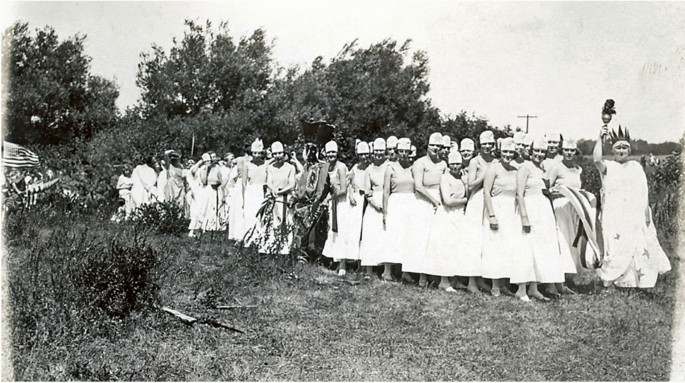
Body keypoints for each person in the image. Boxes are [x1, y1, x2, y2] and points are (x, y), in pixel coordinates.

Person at [593, 125, 671, 289]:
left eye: (624, 148)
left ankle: (632, 280)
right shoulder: (609, 166)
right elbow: (596, 160)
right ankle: (610, 278)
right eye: (618, 148)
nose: (621, 151)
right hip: (614, 212)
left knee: (636, 244)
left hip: (634, 213)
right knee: (614, 244)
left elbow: (644, 191)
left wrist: (646, 213)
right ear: (613, 151)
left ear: (629, 150)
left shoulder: (636, 167)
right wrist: (600, 138)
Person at [513, 137, 571, 302]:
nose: (539, 154)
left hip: (543, 211)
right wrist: (524, 217)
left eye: (542, 152)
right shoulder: (525, 167)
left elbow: (543, 191)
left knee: (539, 249)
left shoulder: (543, 169)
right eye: (536, 151)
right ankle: (521, 289)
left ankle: (534, 288)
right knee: (526, 249)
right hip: (530, 211)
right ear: (530, 152)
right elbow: (519, 193)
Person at [547, 138, 593, 296]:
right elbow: (547, 189)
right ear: (561, 151)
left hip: (573, 209)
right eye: (566, 149)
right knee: (561, 241)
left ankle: (563, 282)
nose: (568, 153)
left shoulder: (577, 169)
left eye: (571, 150)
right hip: (559, 207)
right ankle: (553, 284)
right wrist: (556, 191)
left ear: (575, 152)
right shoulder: (556, 167)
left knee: (571, 242)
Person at [425, 150, 475, 292]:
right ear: (448, 164)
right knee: (445, 247)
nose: (455, 167)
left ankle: (455, 279)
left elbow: (469, 193)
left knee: (457, 247)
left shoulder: (463, 177)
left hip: (460, 215)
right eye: (452, 164)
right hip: (447, 215)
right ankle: (444, 281)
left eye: (458, 164)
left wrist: (465, 184)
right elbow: (448, 201)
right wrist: (466, 201)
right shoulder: (444, 178)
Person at [406, 133, 447, 287]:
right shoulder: (419, 163)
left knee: (436, 239)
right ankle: (422, 276)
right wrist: (434, 201)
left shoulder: (443, 163)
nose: (436, 148)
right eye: (433, 145)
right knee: (423, 238)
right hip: (424, 201)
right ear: (427, 146)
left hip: (440, 200)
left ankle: (434, 274)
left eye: (439, 146)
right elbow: (418, 186)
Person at [481, 137, 519, 297]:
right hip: (496, 209)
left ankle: (503, 283)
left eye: (511, 152)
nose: (508, 155)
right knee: (495, 246)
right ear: (500, 152)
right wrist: (492, 215)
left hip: (511, 210)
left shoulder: (515, 169)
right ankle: (494, 285)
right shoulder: (493, 168)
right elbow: (486, 192)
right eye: (505, 152)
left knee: (507, 247)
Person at [463, 130, 498, 292]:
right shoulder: (474, 161)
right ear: (480, 145)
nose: (487, 148)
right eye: (484, 145)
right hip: (477, 201)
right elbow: (470, 185)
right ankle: (471, 282)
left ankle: (485, 279)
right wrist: (486, 175)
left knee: (488, 240)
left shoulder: (496, 161)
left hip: (491, 200)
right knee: (474, 240)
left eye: (490, 145)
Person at [382, 137, 416, 281]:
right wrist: (385, 211)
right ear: (396, 152)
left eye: (406, 151)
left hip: (410, 203)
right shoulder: (390, 168)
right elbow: (385, 191)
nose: (403, 154)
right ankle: (387, 271)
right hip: (395, 204)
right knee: (393, 236)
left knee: (407, 237)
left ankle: (405, 271)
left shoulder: (413, 168)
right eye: (400, 151)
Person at [321, 140, 353, 276]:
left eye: (333, 152)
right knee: (334, 231)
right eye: (329, 153)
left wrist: (330, 198)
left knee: (342, 231)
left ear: (337, 152)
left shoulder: (341, 167)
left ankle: (343, 265)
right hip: (334, 202)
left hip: (342, 202)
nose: (331, 155)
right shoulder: (328, 167)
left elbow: (344, 190)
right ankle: (336, 261)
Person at [259, 141, 297, 254]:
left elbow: (292, 184)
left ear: (284, 153)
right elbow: (269, 181)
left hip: (285, 198)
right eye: (275, 154)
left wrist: (281, 191)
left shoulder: (290, 167)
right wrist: (273, 190)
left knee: (285, 222)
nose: (277, 156)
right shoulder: (270, 167)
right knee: (272, 222)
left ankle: (285, 251)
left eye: (280, 153)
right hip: (273, 198)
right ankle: (270, 249)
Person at [360, 138, 390, 278]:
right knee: (371, 235)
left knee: (386, 235)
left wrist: (386, 205)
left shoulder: (390, 166)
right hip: (374, 205)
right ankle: (369, 270)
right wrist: (375, 204)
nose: (378, 153)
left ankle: (387, 270)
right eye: (376, 151)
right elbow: (367, 191)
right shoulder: (369, 170)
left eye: (381, 151)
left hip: (389, 201)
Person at [347, 141, 371, 262]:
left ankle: (364, 260)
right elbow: (349, 184)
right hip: (357, 199)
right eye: (361, 154)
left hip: (368, 200)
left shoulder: (371, 168)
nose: (364, 157)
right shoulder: (355, 168)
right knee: (355, 228)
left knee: (366, 229)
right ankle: (354, 258)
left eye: (366, 154)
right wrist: (351, 195)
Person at [242, 139, 268, 246]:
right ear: (251, 153)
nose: (257, 155)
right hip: (251, 191)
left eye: (259, 153)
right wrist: (244, 198)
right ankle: (249, 240)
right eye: (254, 153)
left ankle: (260, 240)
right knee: (250, 214)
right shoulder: (247, 165)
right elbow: (244, 183)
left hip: (262, 191)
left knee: (261, 215)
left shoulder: (266, 164)